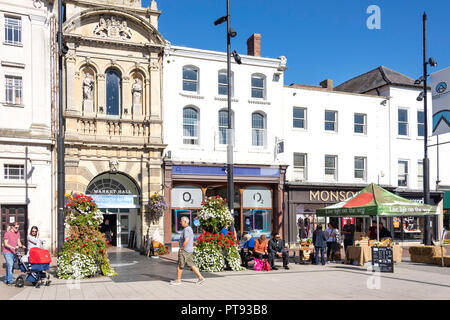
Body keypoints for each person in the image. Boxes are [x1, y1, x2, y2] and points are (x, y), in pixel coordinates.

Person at [170, 216, 205, 285]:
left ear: (185, 222)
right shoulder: (190, 229)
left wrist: (182, 247)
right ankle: (201, 277)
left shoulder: (186, 229)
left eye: (181, 221)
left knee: (180, 265)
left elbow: (186, 240)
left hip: (185, 250)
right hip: (189, 250)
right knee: (191, 264)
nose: (180, 222)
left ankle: (178, 280)